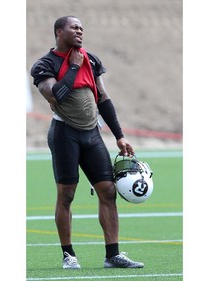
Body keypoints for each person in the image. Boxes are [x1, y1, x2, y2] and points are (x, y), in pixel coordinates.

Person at [30, 15, 144, 269]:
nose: (80, 31)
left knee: (108, 190)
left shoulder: (91, 60)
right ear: (60, 32)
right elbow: (55, 95)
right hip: (64, 134)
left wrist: (119, 136)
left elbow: (103, 98)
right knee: (67, 194)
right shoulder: (44, 65)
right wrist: (72, 67)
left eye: (82, 28)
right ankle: (69, 255)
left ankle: (112, 255)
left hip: (91, 134)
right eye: (74, 27)